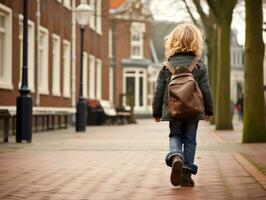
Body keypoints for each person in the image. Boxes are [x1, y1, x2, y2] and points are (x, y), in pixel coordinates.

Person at [152, 23, 213, 187]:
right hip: (194, 111)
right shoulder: (199, 65)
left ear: (173, 42)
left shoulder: (167, 66)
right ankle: (186, 176)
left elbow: (159, 91)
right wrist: (209, 110)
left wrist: (156, 112)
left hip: (174, 111)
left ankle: (175, 155)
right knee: (190, 140)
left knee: (175, 135)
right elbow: (206, 90)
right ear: (196, 43)